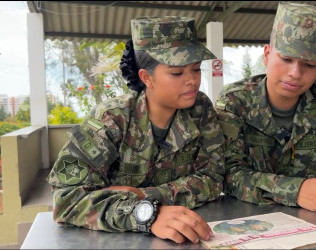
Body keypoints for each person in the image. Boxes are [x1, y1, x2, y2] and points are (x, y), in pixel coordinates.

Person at [46, 16, 225, 244]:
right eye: (177, 73)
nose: (192, 80)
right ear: (146, 77)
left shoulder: (200, 109)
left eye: (197, 69)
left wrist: (145, 196)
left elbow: (214, 177)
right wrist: (145, 214)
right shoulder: (111, 119)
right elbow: (66, 200)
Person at [215, 2, 316, 214]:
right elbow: (226, 174)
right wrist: (294, 190)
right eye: (286, 59)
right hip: (250, 219)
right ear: (267, 54)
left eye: (310, 65)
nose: (296, 73)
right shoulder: (234, 102)